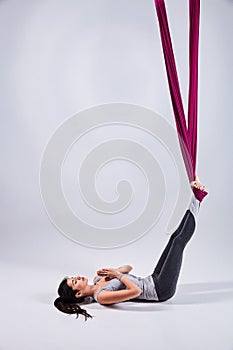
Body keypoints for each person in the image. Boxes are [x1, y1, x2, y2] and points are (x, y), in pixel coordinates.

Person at [54, 176, 207, 321]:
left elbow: (128, 267)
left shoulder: (98, 279)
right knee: (178, 243)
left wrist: (116, 271)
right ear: (79, 293)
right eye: (74, 282)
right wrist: (117, 276)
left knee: (174, 237)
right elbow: (136, 291)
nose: (78, 278)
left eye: (74, 277)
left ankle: (194, 198)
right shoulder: (101, 296)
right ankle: (197, 198)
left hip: (153, 278)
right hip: (160, 290)